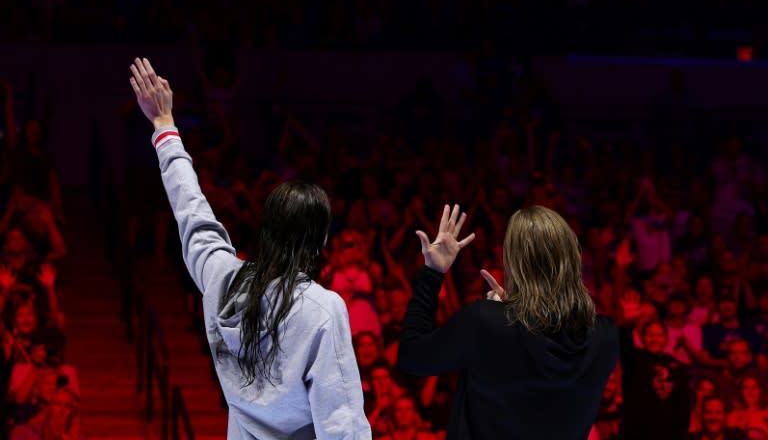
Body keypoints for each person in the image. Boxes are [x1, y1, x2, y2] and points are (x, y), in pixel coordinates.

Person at [128, 57, 370, 439]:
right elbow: (343, 426)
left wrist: (164, 127)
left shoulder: (225, 281)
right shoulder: (324, 310)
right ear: (320, 240)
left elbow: (191, 212)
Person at [397, 204, 619, 439]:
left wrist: (432, 273)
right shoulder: (606, 335)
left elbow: (413, 357)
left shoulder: (484, 320)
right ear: (573, 258)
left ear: (514, 261)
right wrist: (512, 311)